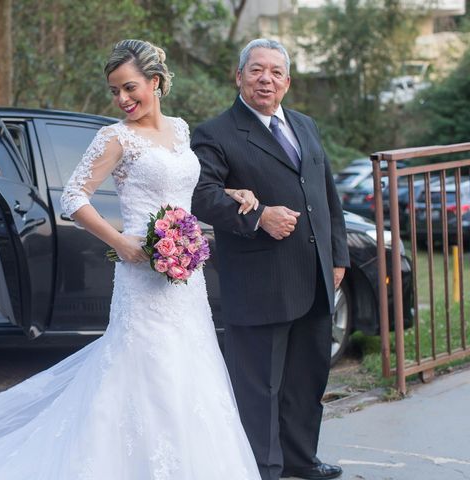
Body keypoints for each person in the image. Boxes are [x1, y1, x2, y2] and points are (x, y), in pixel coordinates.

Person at [0, 40, 262, 479]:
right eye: (114, 91)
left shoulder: (181, 130)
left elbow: (184, 194)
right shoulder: (115, 137)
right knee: (146, 371)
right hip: (141, 277)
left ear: (155, 82)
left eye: (130, 88)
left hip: (184, 280)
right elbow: (74, 198)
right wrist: (123, 243)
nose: (122, 100)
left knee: (190, 370)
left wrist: (231, 193)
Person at [191, 38, 349, 480]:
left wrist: (338, 258)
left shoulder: (305, 125)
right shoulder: (216, 132)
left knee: (306, 379)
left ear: (288, 81)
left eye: (276, 72)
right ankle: (264, 468)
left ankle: (302, 460)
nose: (267, 79)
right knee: (259, 387)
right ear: (238, 76)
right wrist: (259, 216)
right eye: (257, 70)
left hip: (315, 277)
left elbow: (327, 198)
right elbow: (199, 195)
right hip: (261, 281)